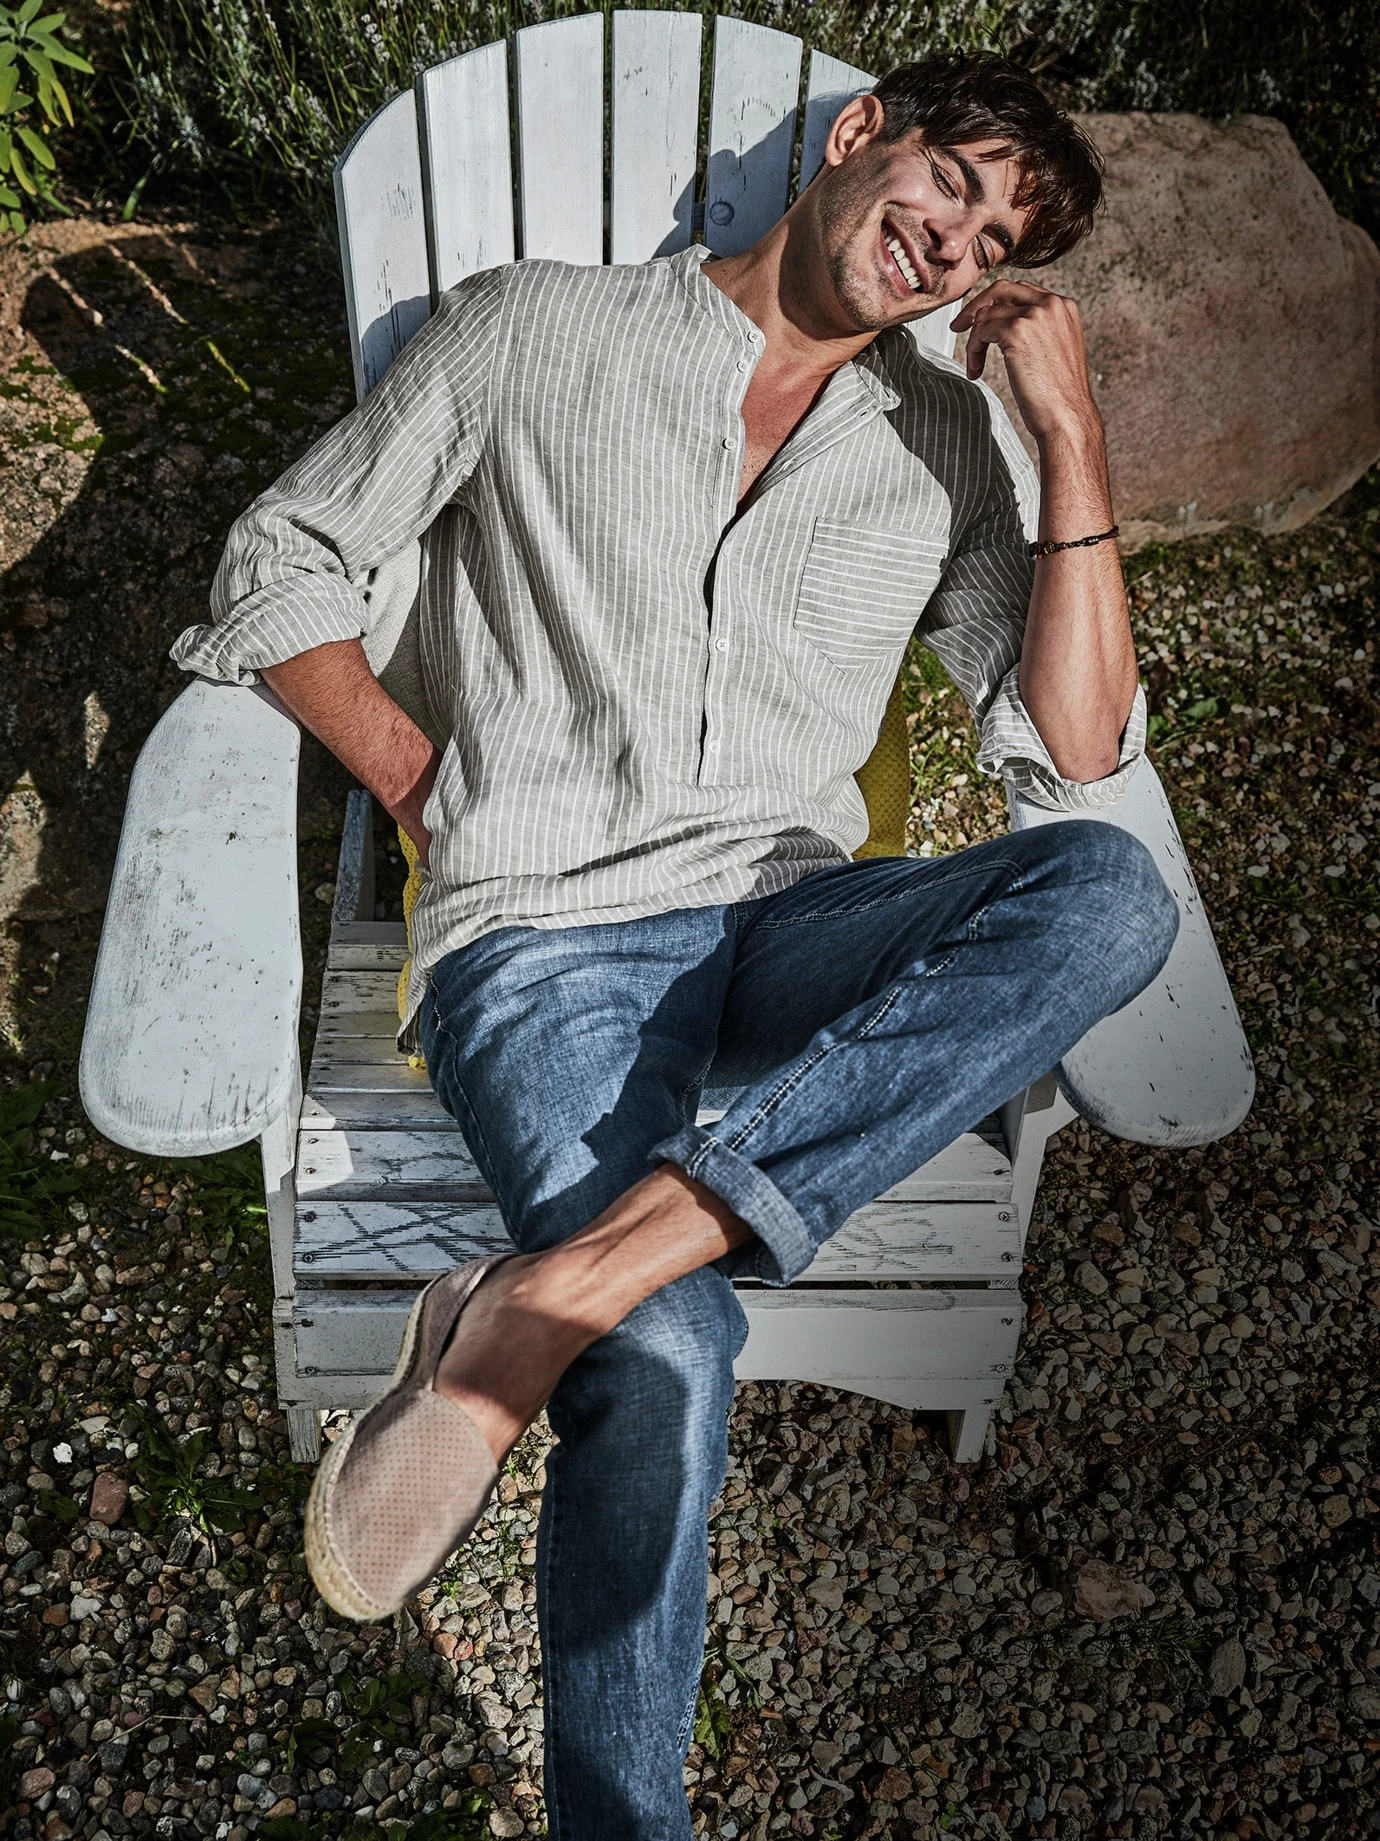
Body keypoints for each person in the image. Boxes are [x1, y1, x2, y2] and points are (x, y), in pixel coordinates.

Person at [172, 49, 1177, 1839]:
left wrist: (1070, 438)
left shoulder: (944, 446)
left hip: (786, 917)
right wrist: (419, 782)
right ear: (859, 137)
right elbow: (282, 561)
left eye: (991, 245)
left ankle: (548, 1291)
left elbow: (1077, 748)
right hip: (545, 932)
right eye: (949, 186)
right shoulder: (532, 327)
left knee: (1111, 893)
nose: (950, 248)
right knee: (673, 1349)